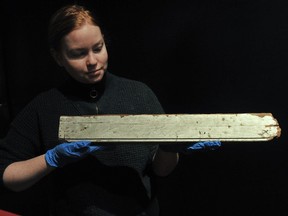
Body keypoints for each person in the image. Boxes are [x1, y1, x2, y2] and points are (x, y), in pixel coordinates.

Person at [0, 4, 221, 216]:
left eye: (98, 48)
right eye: (78, 54)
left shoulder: (139, 93)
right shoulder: (45, 106)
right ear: (58, 57)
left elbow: (161, 170)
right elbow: (8, 175)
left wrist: (171, 147)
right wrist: (51, 159)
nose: (92, 61)